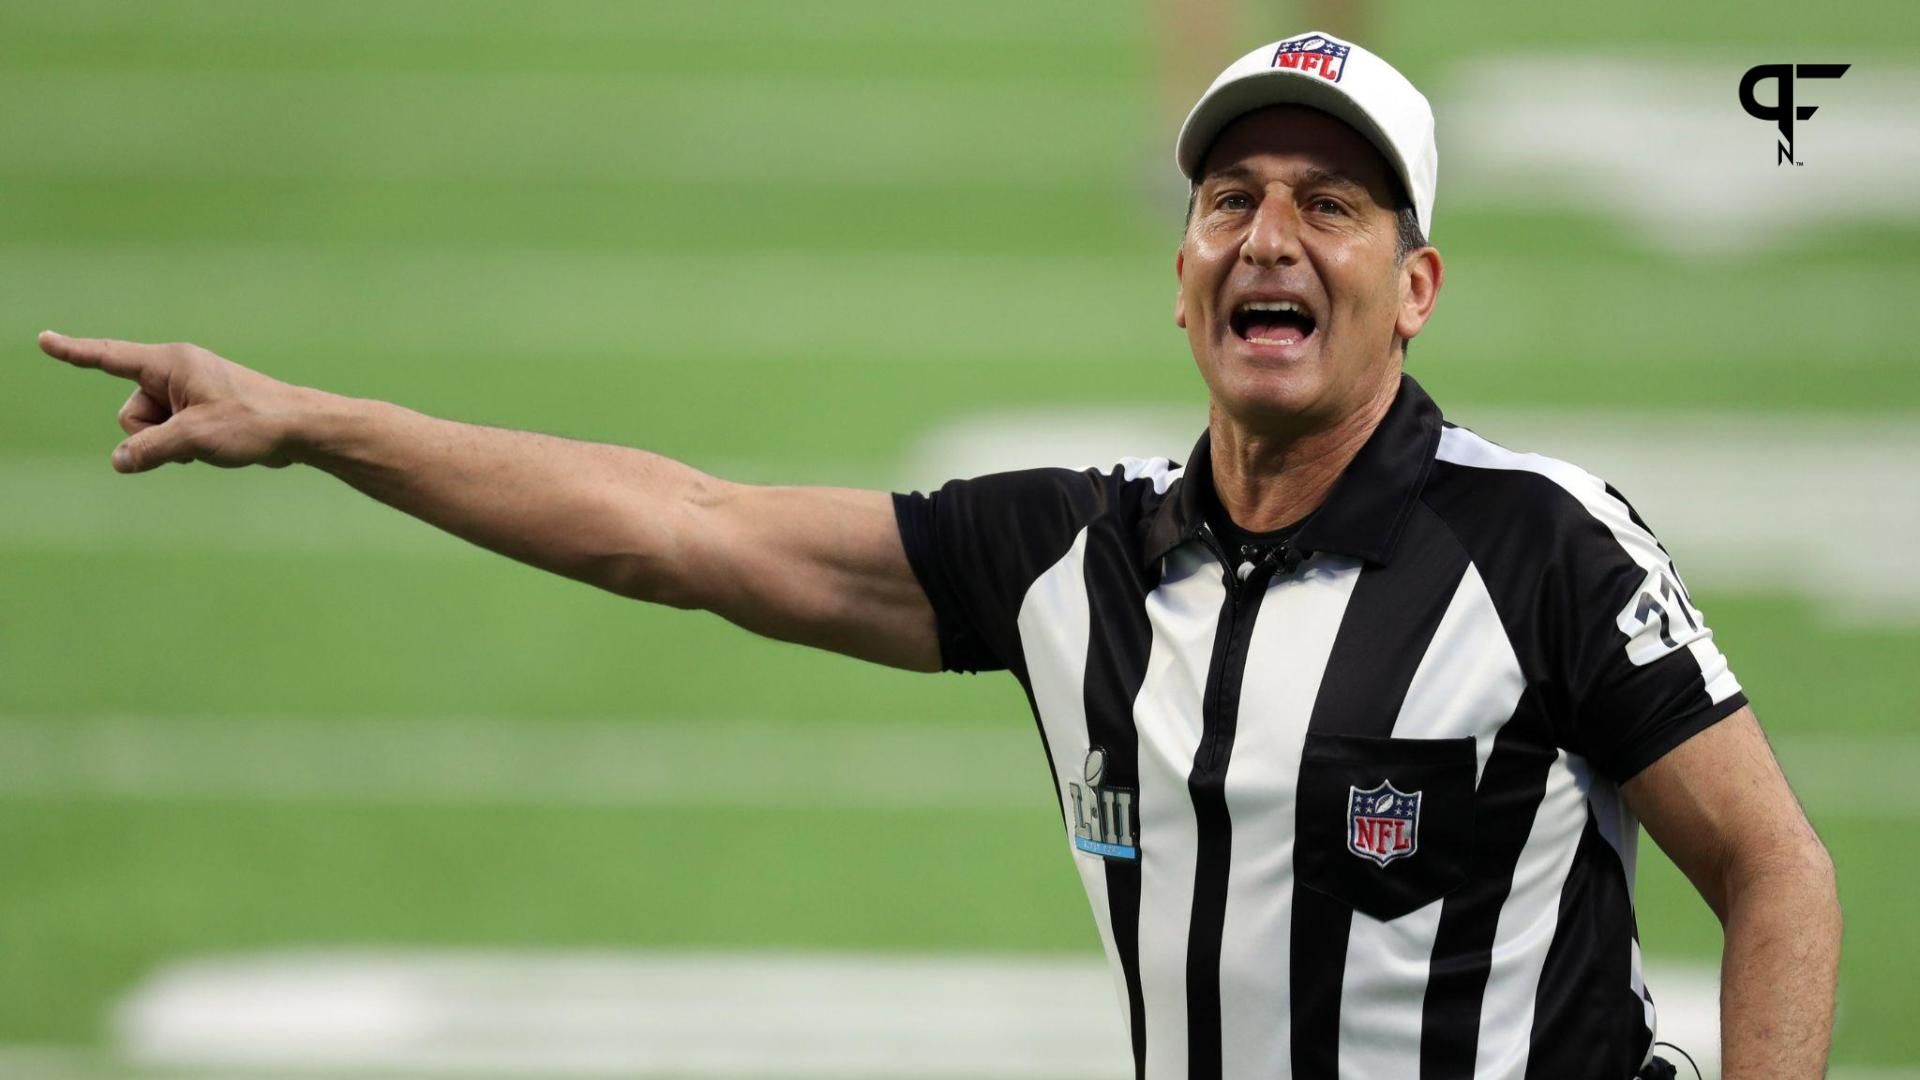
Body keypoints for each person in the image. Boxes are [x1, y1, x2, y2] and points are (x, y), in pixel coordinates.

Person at [38, 29, 1838, 1080]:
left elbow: (1776, 875)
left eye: (1331, 205)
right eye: (1232, 200)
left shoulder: (1541, 550)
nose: (1268, 237)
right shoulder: (1077, 558)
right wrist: (316, 422)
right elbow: (681, 527)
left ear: (1415, 287)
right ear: (1184, 262)